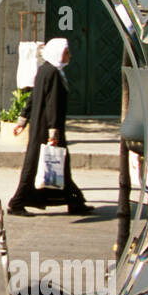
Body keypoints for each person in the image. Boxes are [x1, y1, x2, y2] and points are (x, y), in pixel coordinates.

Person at [7, 37, 92, 217]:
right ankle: (17, 202)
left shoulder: (45, 70)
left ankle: (75, 202)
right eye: (66, 52)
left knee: (61, 164)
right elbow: (52, 103)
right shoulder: (52, 73)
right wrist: (53, 133)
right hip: (47, 127)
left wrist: (22, 119)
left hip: (41, 125)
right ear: (57, 53)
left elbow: (33, 97)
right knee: (33, 166)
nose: (69, 55)